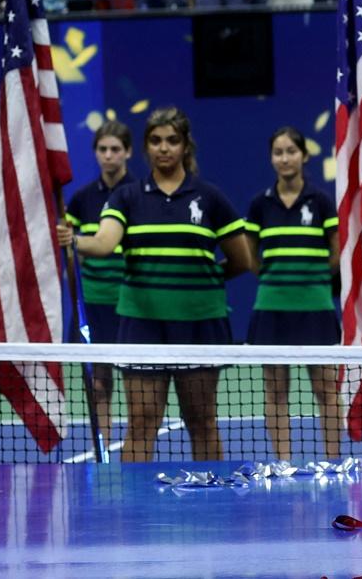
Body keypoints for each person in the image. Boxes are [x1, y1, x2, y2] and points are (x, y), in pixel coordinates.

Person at [57, 107, 252, 463]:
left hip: (200, 327)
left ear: (185, 147)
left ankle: (213, 508)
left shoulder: (210, 198)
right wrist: (75, 240)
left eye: (172, 141)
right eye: (156, 141)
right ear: (146, 147)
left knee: (202, 420)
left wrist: (200, 281)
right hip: (143, 326)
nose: (164, 148)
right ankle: (134, 507)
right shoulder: (127, 198)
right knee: (142, 422)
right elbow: (103, 243)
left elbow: (243, 260)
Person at [244, 127, 340, 461]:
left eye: (291, 151)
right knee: (275, 391)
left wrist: (310, 279)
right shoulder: (260, 205)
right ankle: (282, 461)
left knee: (326, 390)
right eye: (278, 152)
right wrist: (278, 278)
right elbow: (251, 257)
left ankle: (332, 461)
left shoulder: (321, 202)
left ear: (304, 156)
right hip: (271, 307)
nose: (285, 158)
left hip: (316, 307)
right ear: (272, 159)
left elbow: (336, 252)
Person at [65, 121, 136, 448]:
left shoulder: (138, 192)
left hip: (128, 301)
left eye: (115, 149)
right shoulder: (81, 199)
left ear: (128, 152)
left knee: (135, 380)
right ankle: (103, 441)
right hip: (92, 302)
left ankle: (133, 440)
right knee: (97, 382)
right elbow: (73, 257)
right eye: (103, 150)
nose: (109, 156)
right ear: (95, 153)